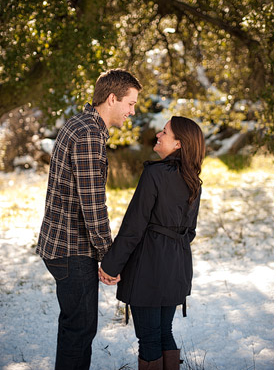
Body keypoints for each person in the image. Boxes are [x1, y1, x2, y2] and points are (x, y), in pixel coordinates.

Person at [36, 69, 142, 370]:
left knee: (74, 327)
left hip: (61, 245)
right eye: (130, 103)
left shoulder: (80, 124)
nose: (133, 112)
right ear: (112, 98)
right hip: (71, 250)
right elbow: (92, 204)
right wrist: (110, 257)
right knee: (80, 330)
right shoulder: (89, 134)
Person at [99, 116, 205, 370]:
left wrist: (110, 265)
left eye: (165, 132)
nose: (158, 134)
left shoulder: (154, 174)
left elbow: (133, 227)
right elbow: (189, 231)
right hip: (177, 266)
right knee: (163, 332)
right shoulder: (194, 180)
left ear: (178, 144)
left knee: (148, 337)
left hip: (148, 267)